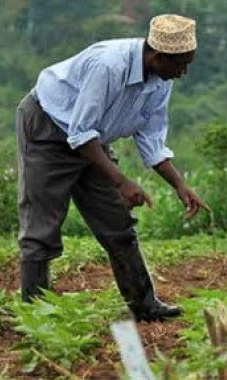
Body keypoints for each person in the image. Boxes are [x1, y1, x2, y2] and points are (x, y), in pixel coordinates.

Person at [15, 14, 210, 322]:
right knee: (41, 225)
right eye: (180, 64)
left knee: (118, 223)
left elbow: (151, 140)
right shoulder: (109, 66)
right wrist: (121, 181)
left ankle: (145, 305)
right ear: (158, 56)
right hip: (49, 129)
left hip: (91, 140)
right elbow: (80, 132)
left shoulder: (160, 81)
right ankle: (34, 316)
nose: (183, 72)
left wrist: (180, 185)